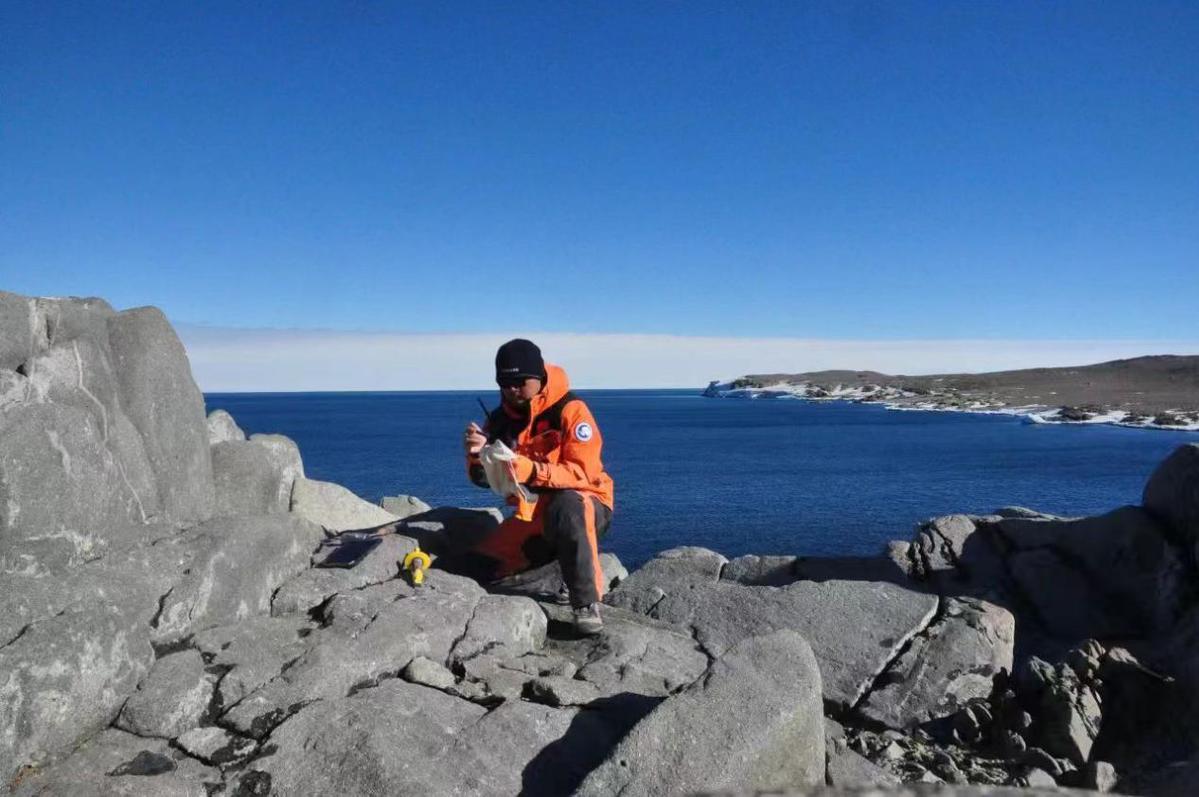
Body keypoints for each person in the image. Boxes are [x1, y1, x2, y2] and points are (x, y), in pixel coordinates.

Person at [460, 338, 614, 634]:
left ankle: (585, 602)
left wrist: (530, 470)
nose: (512, 390)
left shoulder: (570, 410)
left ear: (539, 376)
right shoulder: (499, 420)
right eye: (505, 383)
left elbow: (584, 473)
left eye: (520, 382)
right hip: (533, 513)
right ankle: (556, 572)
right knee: (478, 566)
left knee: (568, 505)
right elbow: (484, 481)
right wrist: (477, 456)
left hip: (587, 505)